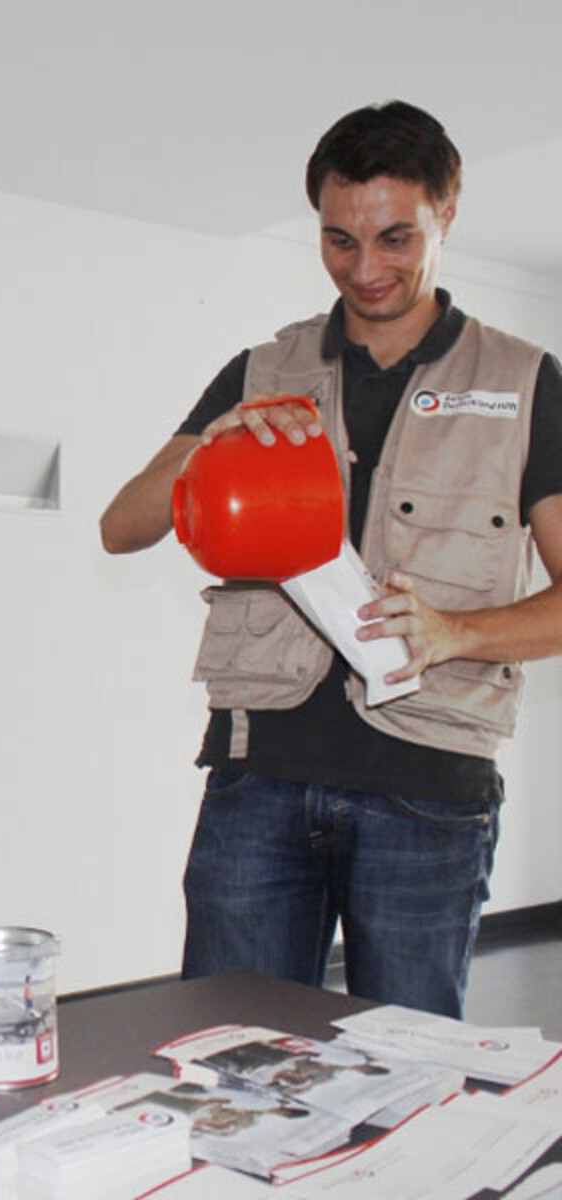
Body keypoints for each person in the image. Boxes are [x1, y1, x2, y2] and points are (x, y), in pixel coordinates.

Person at [99, 101, 562, 1018]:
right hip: (257, 781)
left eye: (396, 238)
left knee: (409, 1080)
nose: (366, 269)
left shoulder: (525, 382)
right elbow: (122, 527)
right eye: (338, 240)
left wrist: (452, 632)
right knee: (230, 1065)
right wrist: (210, 445)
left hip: (428, 792)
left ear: (447, 216)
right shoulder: (261, 369)